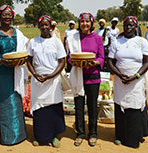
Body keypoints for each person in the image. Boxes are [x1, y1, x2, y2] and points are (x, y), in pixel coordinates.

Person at [0, 5, 28, 145]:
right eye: (5, 14)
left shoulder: (17, 33)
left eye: (10, 14)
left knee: (16, 101)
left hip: (15, 71)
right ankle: (8, 137)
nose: (8, 17)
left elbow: (26, 47)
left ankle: (19, 135)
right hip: (1, 72)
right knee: (5, 103)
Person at [108, 16, 148, 148]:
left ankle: (134, 138)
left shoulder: (142, 42)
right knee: (120, 106)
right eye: (126, 25)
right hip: (121, 80)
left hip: (136, 80)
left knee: (135, 106)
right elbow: (110, 62)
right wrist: (119, 75)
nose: (128, 28)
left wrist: (135, 76)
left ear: (136, 27)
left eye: (131, 25)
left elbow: (146, 62)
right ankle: (120, 136)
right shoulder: (116, 42)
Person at [27, 15, 66, 148]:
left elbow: (62, 61)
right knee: (39, 109)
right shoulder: (33, 42)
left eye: (46, 25)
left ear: (51, 26)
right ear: (38, 26)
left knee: (54, 107)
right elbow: (28, 61)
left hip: (53, 79)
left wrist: (51, 75)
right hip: (38, 80)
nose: (44, 27)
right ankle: (40, 136)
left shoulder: (56, 42)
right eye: (42, 25)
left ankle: (55, 136)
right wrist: (35, 74)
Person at [66, 12, 104, 147]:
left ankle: (93, 133)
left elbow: (101, 57)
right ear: (79, 23)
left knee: (92, 107)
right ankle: (80, 133)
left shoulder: (98, 38)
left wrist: (95, 63)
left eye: (87, 22)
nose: (85, 24)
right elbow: (69, 57)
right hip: (78, 76)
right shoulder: (73, 38)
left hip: (93, 77)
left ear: (92, 23)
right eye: (82, 22)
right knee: (79, 106)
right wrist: (73, 62)